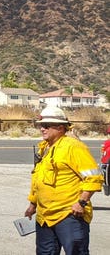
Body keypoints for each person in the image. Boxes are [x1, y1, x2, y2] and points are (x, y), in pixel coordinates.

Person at [24, 106, 103, 254]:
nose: (42, 129)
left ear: (60, 128)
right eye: (41, 125)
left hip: (69, 215)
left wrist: (81, 203)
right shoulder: (44, 148)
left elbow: (93, 177)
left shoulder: (73, 147)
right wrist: (32, 204)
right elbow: (38, 179)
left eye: (46, 126)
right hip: (44, 217)